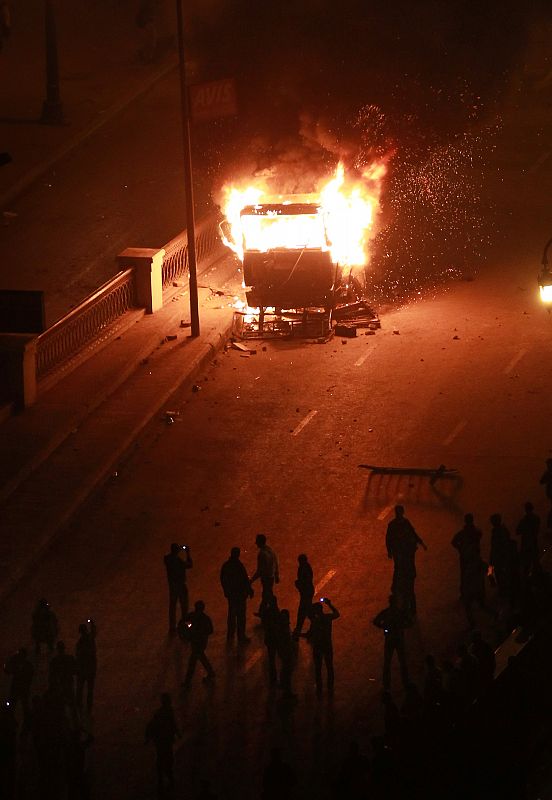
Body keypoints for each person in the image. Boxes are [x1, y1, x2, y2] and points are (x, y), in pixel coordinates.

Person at [386, 505, 427, 617]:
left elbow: (413, 533)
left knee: (407, 585)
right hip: (400, 554)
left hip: (403, 556)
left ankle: (410, 608)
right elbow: (388, 539)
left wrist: (421, 542)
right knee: (399, 572)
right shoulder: (393, 525)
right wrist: (390, 551)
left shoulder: (403, 524)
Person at [452, 513, 486, 627]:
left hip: (465, 558)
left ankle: (464, 593)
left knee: (464, 575)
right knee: (478, 575)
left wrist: (460, 548)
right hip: (474, 557)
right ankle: (480, 594)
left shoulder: (463, 533)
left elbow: (454, 542)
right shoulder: (475, 532)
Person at [145, 693, 181, 796]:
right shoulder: (169, 712)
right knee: (168, 758)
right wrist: (177, 733)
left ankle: (161, 778)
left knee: (160, 758)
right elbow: (173, 724)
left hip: (160, 741)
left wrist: (148, 738)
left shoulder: (159, 713)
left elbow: (151, 725)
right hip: (167, 740)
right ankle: (169, 777)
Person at [373, 594, 410, 692]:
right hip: (399, 639)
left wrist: (384, 628)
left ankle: (386, 684)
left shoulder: (386, 612)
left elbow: (375, 621)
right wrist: (402, 627)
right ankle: (406, 682)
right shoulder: (400, 613)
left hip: (389, 639)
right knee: (402, 661)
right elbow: (409, 622)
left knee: (387, 662)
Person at [220, 547, 253, 646]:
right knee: (241, 616)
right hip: (240, 595)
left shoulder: (226, 565)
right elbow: (244, 580)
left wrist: (226, 591)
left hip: (232, 595)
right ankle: (241, 636)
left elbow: (223, 580)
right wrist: (249, 590)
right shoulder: (239, 566)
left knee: (231, 615)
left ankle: (230, 635)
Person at [309, 597, 340, 696]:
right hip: (327, 645)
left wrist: (298, 635)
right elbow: (337, 614)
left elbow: (310, 634)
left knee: (318, 669)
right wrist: (329, 604)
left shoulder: (315, 621)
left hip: (318, 647)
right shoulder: (327, 618)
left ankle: (319, 688)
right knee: (329, 667)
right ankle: (330, 687)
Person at [182, 601, 215, 687]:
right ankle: (211, 672)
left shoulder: (191, 616)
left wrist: (190, 628)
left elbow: (184, 623)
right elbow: (210, 630)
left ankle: (187, 681)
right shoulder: (206, 619)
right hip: (202, 642)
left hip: (195, 641)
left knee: (193, 661)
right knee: (200, 657)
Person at [164, 543, 193, 634]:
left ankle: (172, 627)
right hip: (180, 585)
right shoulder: (178, 561)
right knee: (184, 605)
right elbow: (189, 565)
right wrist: (188, 553)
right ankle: (184, 625)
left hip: (172, 586)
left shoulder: (167, 559)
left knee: (172, 606)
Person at [251, 534, 279, 617]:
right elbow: (276, 562)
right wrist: (277, 574)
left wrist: (252, 580)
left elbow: (260, 570)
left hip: (266, 577)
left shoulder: (262, 554)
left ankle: (273, 611)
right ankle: (262, 611)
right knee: (267, 594)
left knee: (267, 594)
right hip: (271, 576)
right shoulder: (270, 550)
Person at [4, 647, 34, 720]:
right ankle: (27, 720)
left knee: (14, 705)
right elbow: (7, 670)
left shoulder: (21, 664)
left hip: (18, 687)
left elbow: (7, 670)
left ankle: (9, 719)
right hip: (23, 688)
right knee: (23, 705)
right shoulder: (28, 665)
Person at [75, 619, 97, 714]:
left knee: (80, 688)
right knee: (89, 689)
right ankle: (88, 706)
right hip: (90, 668)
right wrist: (91, 623)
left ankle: (79, 704)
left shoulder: (80, 643)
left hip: (82, 669)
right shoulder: (90, 639)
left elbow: (78, 656)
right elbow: (94, 632)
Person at [515, 502, 540, 578]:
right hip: (534, 543)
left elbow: (518, 531)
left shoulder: (524, 520)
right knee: (535, 563)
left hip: (526, 545)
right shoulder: (536, 518)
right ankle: (537, 579)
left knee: (526, 565)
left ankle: (527, 582)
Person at [292, 554, 314, 639]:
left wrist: (298, 584)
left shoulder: (303, 569)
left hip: (306, 593)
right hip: (307, 592)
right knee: (305, 611)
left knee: (304, 611)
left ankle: (299, 630)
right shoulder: (306, 567)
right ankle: (302, 629)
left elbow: (305, 582)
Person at [48, 641, 77, 708]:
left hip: (59, 685)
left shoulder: (54, 661)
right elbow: (75, 670)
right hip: (68, 683)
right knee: (72, 703)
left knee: (60, 705)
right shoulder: (70, 658)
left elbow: (51, 675)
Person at [275, 609, 296, 700]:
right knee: (287, 670)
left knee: (286, 669)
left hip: (285, 651)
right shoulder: (283, 630)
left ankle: (284, 686)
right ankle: (287, 691)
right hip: (286, 651)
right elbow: (284, 642)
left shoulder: (282, 628)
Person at [261, 596, 280, 686]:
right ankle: (275, 677)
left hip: (270, 638)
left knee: (271, 658)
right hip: (276, 637)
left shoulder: (267, 612)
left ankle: (273, 678)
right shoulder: (276, 612)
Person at [539, 457, 552, 530]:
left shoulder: (547, 472)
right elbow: (541, 481)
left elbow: (541, 481)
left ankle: (549, 524)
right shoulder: (547, 473)